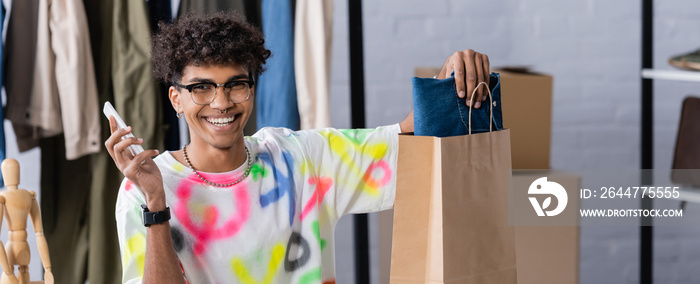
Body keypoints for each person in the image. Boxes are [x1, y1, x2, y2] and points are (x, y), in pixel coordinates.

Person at [106, 12, 491, 284]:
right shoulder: (144, 189)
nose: (221, 103)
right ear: (176, 98)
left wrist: (450, 77)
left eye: (235, 84)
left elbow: (410, 141)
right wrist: (156, 203)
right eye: (201, 87)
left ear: (252, 90)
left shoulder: (300, 158)